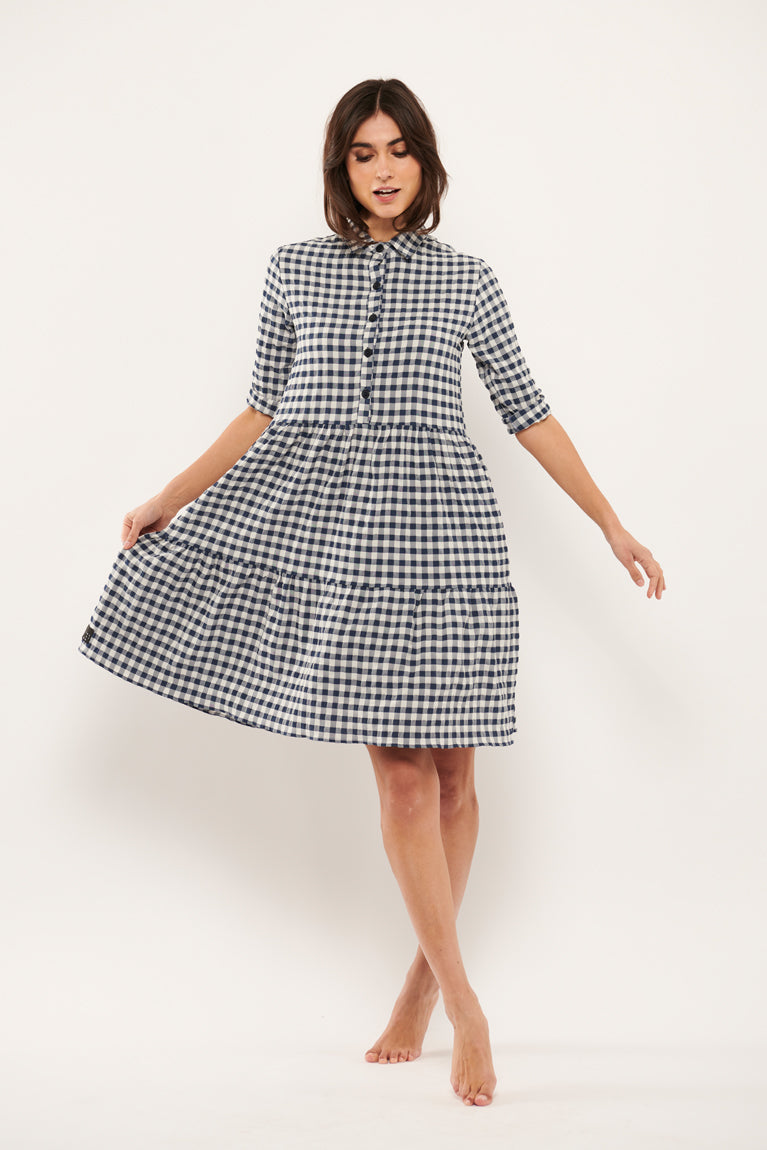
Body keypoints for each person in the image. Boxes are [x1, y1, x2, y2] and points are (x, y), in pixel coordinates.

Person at [79, 78, 665, 1107]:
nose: (383, 169)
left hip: (447, 536)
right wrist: (168, 497)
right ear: (339, 167)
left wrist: (609, 522)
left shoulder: (467, 279)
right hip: (338, 543)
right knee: (401, 779)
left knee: (454, 778)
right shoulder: (293, 268)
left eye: (398, 150)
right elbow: (260, 406)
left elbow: (527, 412)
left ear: (424, 162)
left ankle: (418, 984)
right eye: (362, 153)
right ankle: (466, 1003)